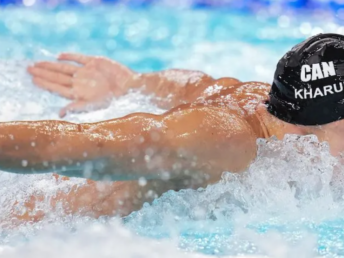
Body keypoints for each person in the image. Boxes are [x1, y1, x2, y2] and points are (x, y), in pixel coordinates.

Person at [3, 33, 344, 224]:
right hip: (32, 225)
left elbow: (196, 85)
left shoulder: (273, 107)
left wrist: (132, 82)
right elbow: (72, 144)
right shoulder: (221, 140)